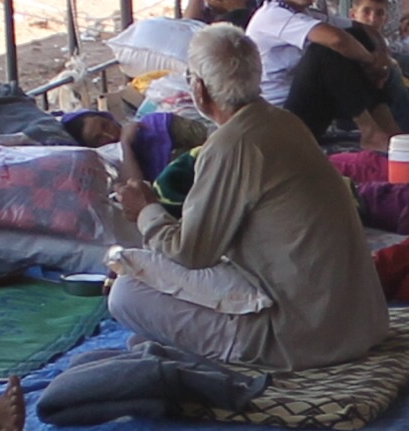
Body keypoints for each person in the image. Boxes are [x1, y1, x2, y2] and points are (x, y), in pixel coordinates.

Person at [99, 22, 388, 371]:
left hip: (306, 338)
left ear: (200, 90)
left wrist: (146, 211)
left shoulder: (231, 145)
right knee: (140, 272)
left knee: (127, 293)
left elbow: (191, 252)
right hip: (358, 322)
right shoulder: (284, 121)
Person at [248, 0, 401, 140]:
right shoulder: (272, 15)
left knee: (355, 36)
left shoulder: (307, 14)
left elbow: (363, 28)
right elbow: (335, 39)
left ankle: (391, 129)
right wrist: (371, 61)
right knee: (325, 50)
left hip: (310, 107)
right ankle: (370, 132)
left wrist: (382, 55)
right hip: (280, 118)